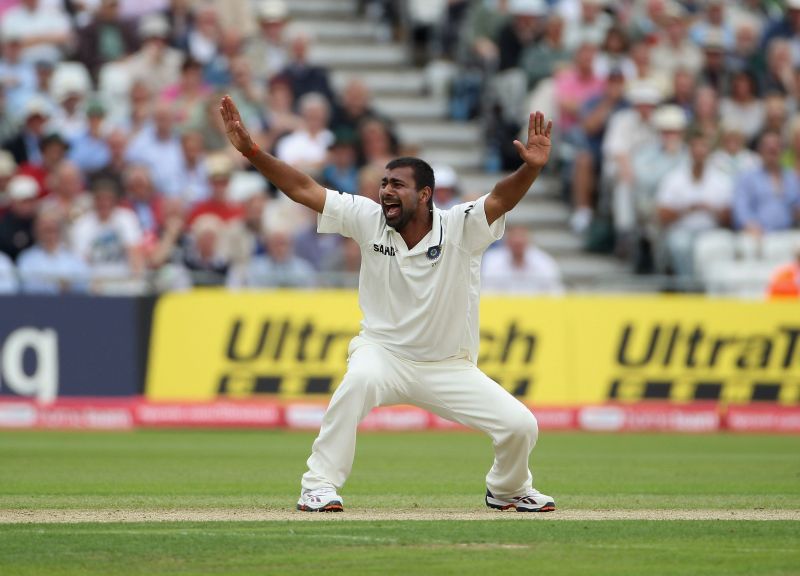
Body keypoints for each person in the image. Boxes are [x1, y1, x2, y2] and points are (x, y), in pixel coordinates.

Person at [220, 95, 557, 513]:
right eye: (383, 184)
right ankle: (319, 486)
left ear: (426, 194)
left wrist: (530, 168)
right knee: (356, 383)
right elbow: (302, 188)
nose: (385, 192)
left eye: (397, 185)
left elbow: (501, 199)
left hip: (447, 365)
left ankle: (508, 488)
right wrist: (252, 151)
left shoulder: (460, 227)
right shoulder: (368, 217)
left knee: (521, 426)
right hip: (384, 354)